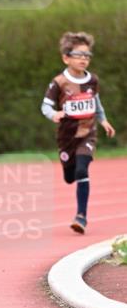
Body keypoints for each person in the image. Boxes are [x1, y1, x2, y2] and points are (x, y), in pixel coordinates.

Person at [41, 31, 115, 234]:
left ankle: (81, 217)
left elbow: (96, 102)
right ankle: (69, 169)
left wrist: (103, 120)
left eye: (87, 55)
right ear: (66, 57)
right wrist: (54, 114)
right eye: (79, 54)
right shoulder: (59, 83)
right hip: (67, 138)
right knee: (69, 175)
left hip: (87, 134)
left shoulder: (92, 81)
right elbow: (45, 106)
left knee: (83, 170)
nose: (84, 59)